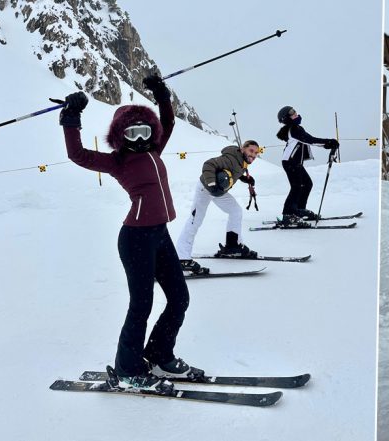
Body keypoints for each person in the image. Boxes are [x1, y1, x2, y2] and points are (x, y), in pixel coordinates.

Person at [59, 75, 203, 393]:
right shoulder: (118, 161)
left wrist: (161, 94)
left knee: (180, 298)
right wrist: (71, 118)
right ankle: (127, 369)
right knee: (141, 304)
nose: (140, 138)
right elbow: (78, 155)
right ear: (120, 136)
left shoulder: (156, 149)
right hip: (136, 238)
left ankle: (160, 355)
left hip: (160, 235)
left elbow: (168, 120)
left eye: (145, 131)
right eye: (131, 133)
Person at [175, 140, 260, 274]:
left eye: (256, 153)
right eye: (251, 151)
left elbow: (232, 172)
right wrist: (212, 184)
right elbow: (209, 164)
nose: (253, 155)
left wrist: (245, 179)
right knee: (195, 220)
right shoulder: (230, 158)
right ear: (243, 149)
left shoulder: (241, 161)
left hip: (218, 192)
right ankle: (182, 257)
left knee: (235, 211)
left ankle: (233, 245)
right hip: (205, 188)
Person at [275, 106, 339, 226]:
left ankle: (299, 211)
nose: (295, 113)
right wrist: (328, 142)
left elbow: (309, 140)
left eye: (294, 111)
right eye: (291, 112)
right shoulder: (294, 129)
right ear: (286, 118)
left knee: (307, 184)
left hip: (295, 162)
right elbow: (310, 140)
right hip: (290, 162)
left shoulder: (297, 128)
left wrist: (327, 145)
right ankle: (288, 215)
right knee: (296, 187)